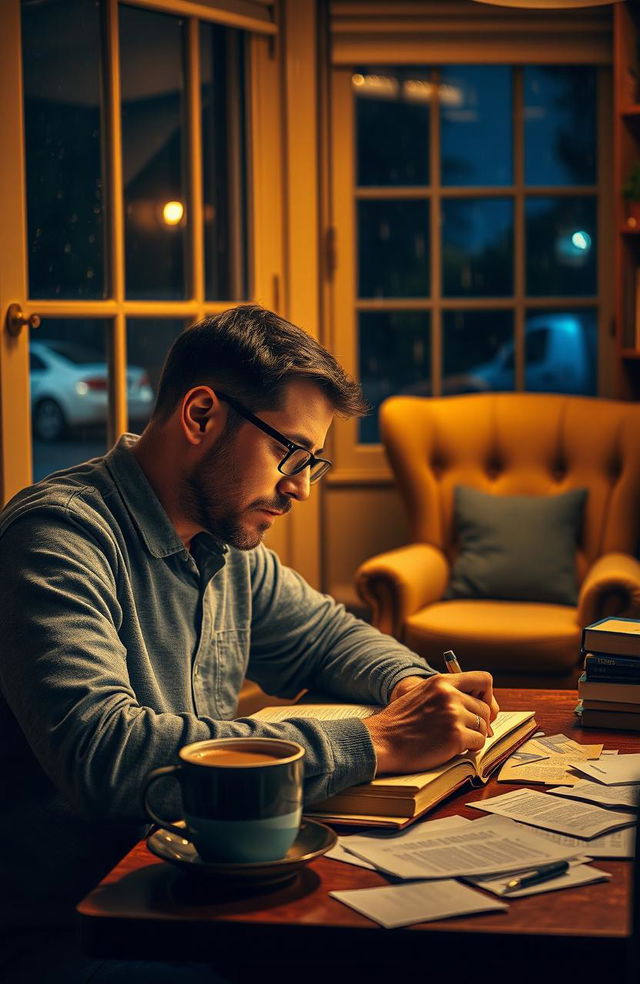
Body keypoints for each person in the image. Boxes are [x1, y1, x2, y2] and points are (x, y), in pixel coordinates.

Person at [0, 304, 497, 981]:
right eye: (289, 452)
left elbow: (327, 636)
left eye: (311, 463)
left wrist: (414, 688)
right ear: (200, 416)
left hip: (199, 885)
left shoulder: (224, 546)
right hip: (84, 924)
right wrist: (378, 741)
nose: (298, 488)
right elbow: (105, 756)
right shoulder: (57, 537)